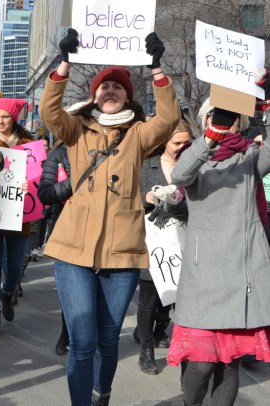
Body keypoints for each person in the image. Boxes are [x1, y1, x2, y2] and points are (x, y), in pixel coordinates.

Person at [38, 29, 180, 406]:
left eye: (119, 87)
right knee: (82, 342)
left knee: (107, 337)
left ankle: (103, 392)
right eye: (104, 87)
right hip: (73, 251)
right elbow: (49, 111)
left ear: (128, 97)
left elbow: (168, 119)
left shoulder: (139, 134)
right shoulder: (76, 129)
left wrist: (157, 70)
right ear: (94, 95)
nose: (111, 90)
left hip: (122, 252)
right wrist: (64, 63)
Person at [166, 70, 270, 404]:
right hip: (205, 276)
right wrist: (211, 136)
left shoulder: (249, 159)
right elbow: (180, 176)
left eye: (230, 116)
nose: (226, 122)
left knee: (229, 366)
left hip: (244, 273)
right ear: (205, 121)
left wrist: (266, 105)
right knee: (200, 365)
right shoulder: (195, 159)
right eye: (215, 115)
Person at [136, 119, 191, 375]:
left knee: (177, 296)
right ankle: (145, 350)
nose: (181, 147)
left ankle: (161, 333)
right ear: (164, 143)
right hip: (154, 238)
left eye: (186, 142)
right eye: (176, 142)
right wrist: (145, 198)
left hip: (185, 237)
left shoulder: (195, 165)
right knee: (149, 297)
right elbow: (130, 197)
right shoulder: (147, 166)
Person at [0, 97, 33, 336]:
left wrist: (29, 184)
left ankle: (7, 292)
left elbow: (36, 176)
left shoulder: (27, 143)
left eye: (5, 116)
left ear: (13, 118)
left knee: (14, 266)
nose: (1, 121)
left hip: (19, 215)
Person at [37, 139, 72, 356]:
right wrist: (77, 179)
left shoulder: (113, 153)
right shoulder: (59, 154)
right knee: (72, 289)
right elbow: (46, 194)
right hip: (66, 230)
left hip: (104, 233)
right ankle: (66, 334)